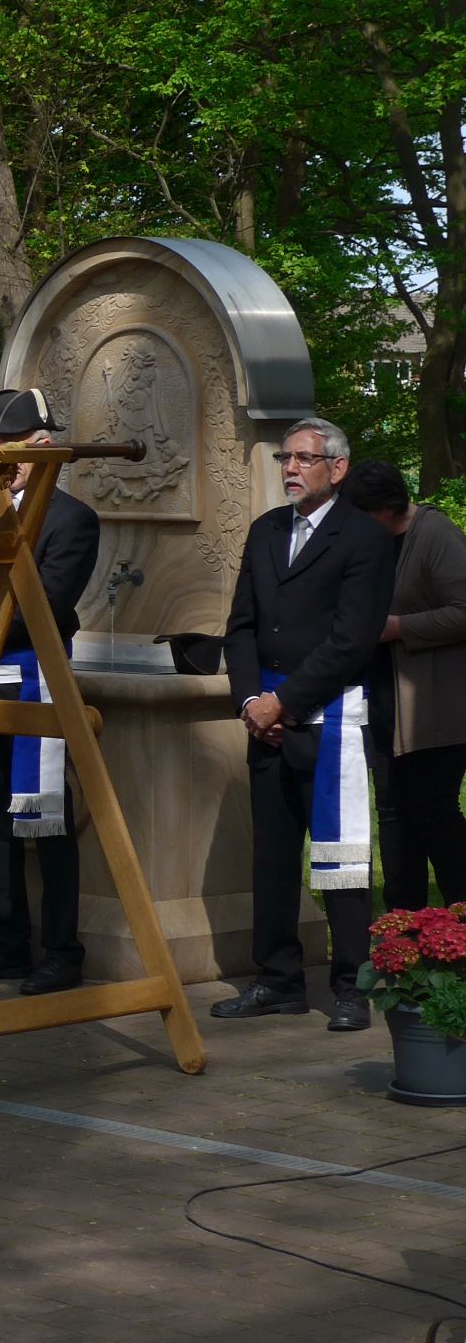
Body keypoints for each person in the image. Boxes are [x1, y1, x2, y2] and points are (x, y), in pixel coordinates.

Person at [219, 416, 394, 1031]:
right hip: (264, 720)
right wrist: (251, 701)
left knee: (342, 856)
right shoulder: (267, 530)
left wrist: (285, 702)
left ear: (336, 468)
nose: (290, 469)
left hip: (328, 716)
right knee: (271, 854)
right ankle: (277, 980)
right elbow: (241, 626)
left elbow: (353, 639)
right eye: (284, 459)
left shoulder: (364, 538)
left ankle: (350, 987)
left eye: (302, 459)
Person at [0, 390, 101, 994]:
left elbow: (46, 606)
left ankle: (61, 951)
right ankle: (4, 942)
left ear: (43, 448)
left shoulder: (72, 519)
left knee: (47, 818)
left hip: (35, 677)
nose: (2, 463)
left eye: (13, 451)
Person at [344, 459, 466, 911]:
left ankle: (460, 911)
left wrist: (399, 627)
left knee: (434, 811)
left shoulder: (435, 535)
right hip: (383, 703)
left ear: (385, 507)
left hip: (437, 709)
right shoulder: (373, 543)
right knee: (394, 814)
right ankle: (404, 928)